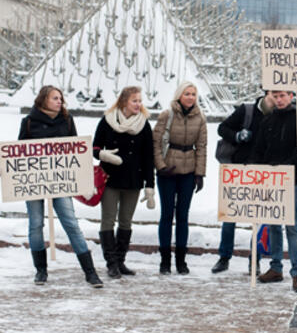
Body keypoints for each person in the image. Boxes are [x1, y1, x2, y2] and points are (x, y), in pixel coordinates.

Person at [18, 85, 103, 288]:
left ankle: (90, 272)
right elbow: (20, 151)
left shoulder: (67, 120)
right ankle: (41, 270)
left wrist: (83, 179)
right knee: (36, 224)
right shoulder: (29, 122)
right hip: (35, 182)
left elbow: (76, 150)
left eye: (61, 98)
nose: (60, 102)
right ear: (44, 100)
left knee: (71, 223)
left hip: (60, 181)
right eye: (55, 98)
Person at [251, 90, 297, 292]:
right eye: (276, 96)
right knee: (273, 224)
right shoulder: (268, 121)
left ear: (292, 96)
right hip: (269, 179)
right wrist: (258, 170)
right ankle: (276, 267)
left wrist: (291, 170)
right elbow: (259, 149)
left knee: (291, 227)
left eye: (283, 95)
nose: (279, 99)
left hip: (288, 178)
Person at [93, 86, 155, 279]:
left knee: (126, 221)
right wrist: (102, 154)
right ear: (123, 102)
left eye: (140, 101)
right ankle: (111, 263)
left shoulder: (144, 125)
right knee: (108, 219)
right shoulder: (108, 120)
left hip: (133, 180)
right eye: (134, 100)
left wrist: (150, 186)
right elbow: (94, 146)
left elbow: (148, 157)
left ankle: (120, 261)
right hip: (110, 178)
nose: (138, 104)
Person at [211, 91, 275, 274]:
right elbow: (222, 128)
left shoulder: (279, 114)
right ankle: (224, 257)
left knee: (259, 217)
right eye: (273, 96)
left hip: (263, 171)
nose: (276, 100)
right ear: (266, 94)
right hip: (239, 169)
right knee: (231, 215)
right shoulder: (246, 110)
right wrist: (238, 135)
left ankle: (255, 259)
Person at [152, 81, 207, 275]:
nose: (190, 97)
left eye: (193, 94)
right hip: (168, 169)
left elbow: (201, 146)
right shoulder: (167, 115)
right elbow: (156, 143)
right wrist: (161, 167)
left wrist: (200, 173)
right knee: (167, 215)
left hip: (188, 170)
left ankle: (181, 260)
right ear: (179, 96)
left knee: (183, 216)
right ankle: (165, 259)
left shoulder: (200, 118)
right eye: (187, 94)